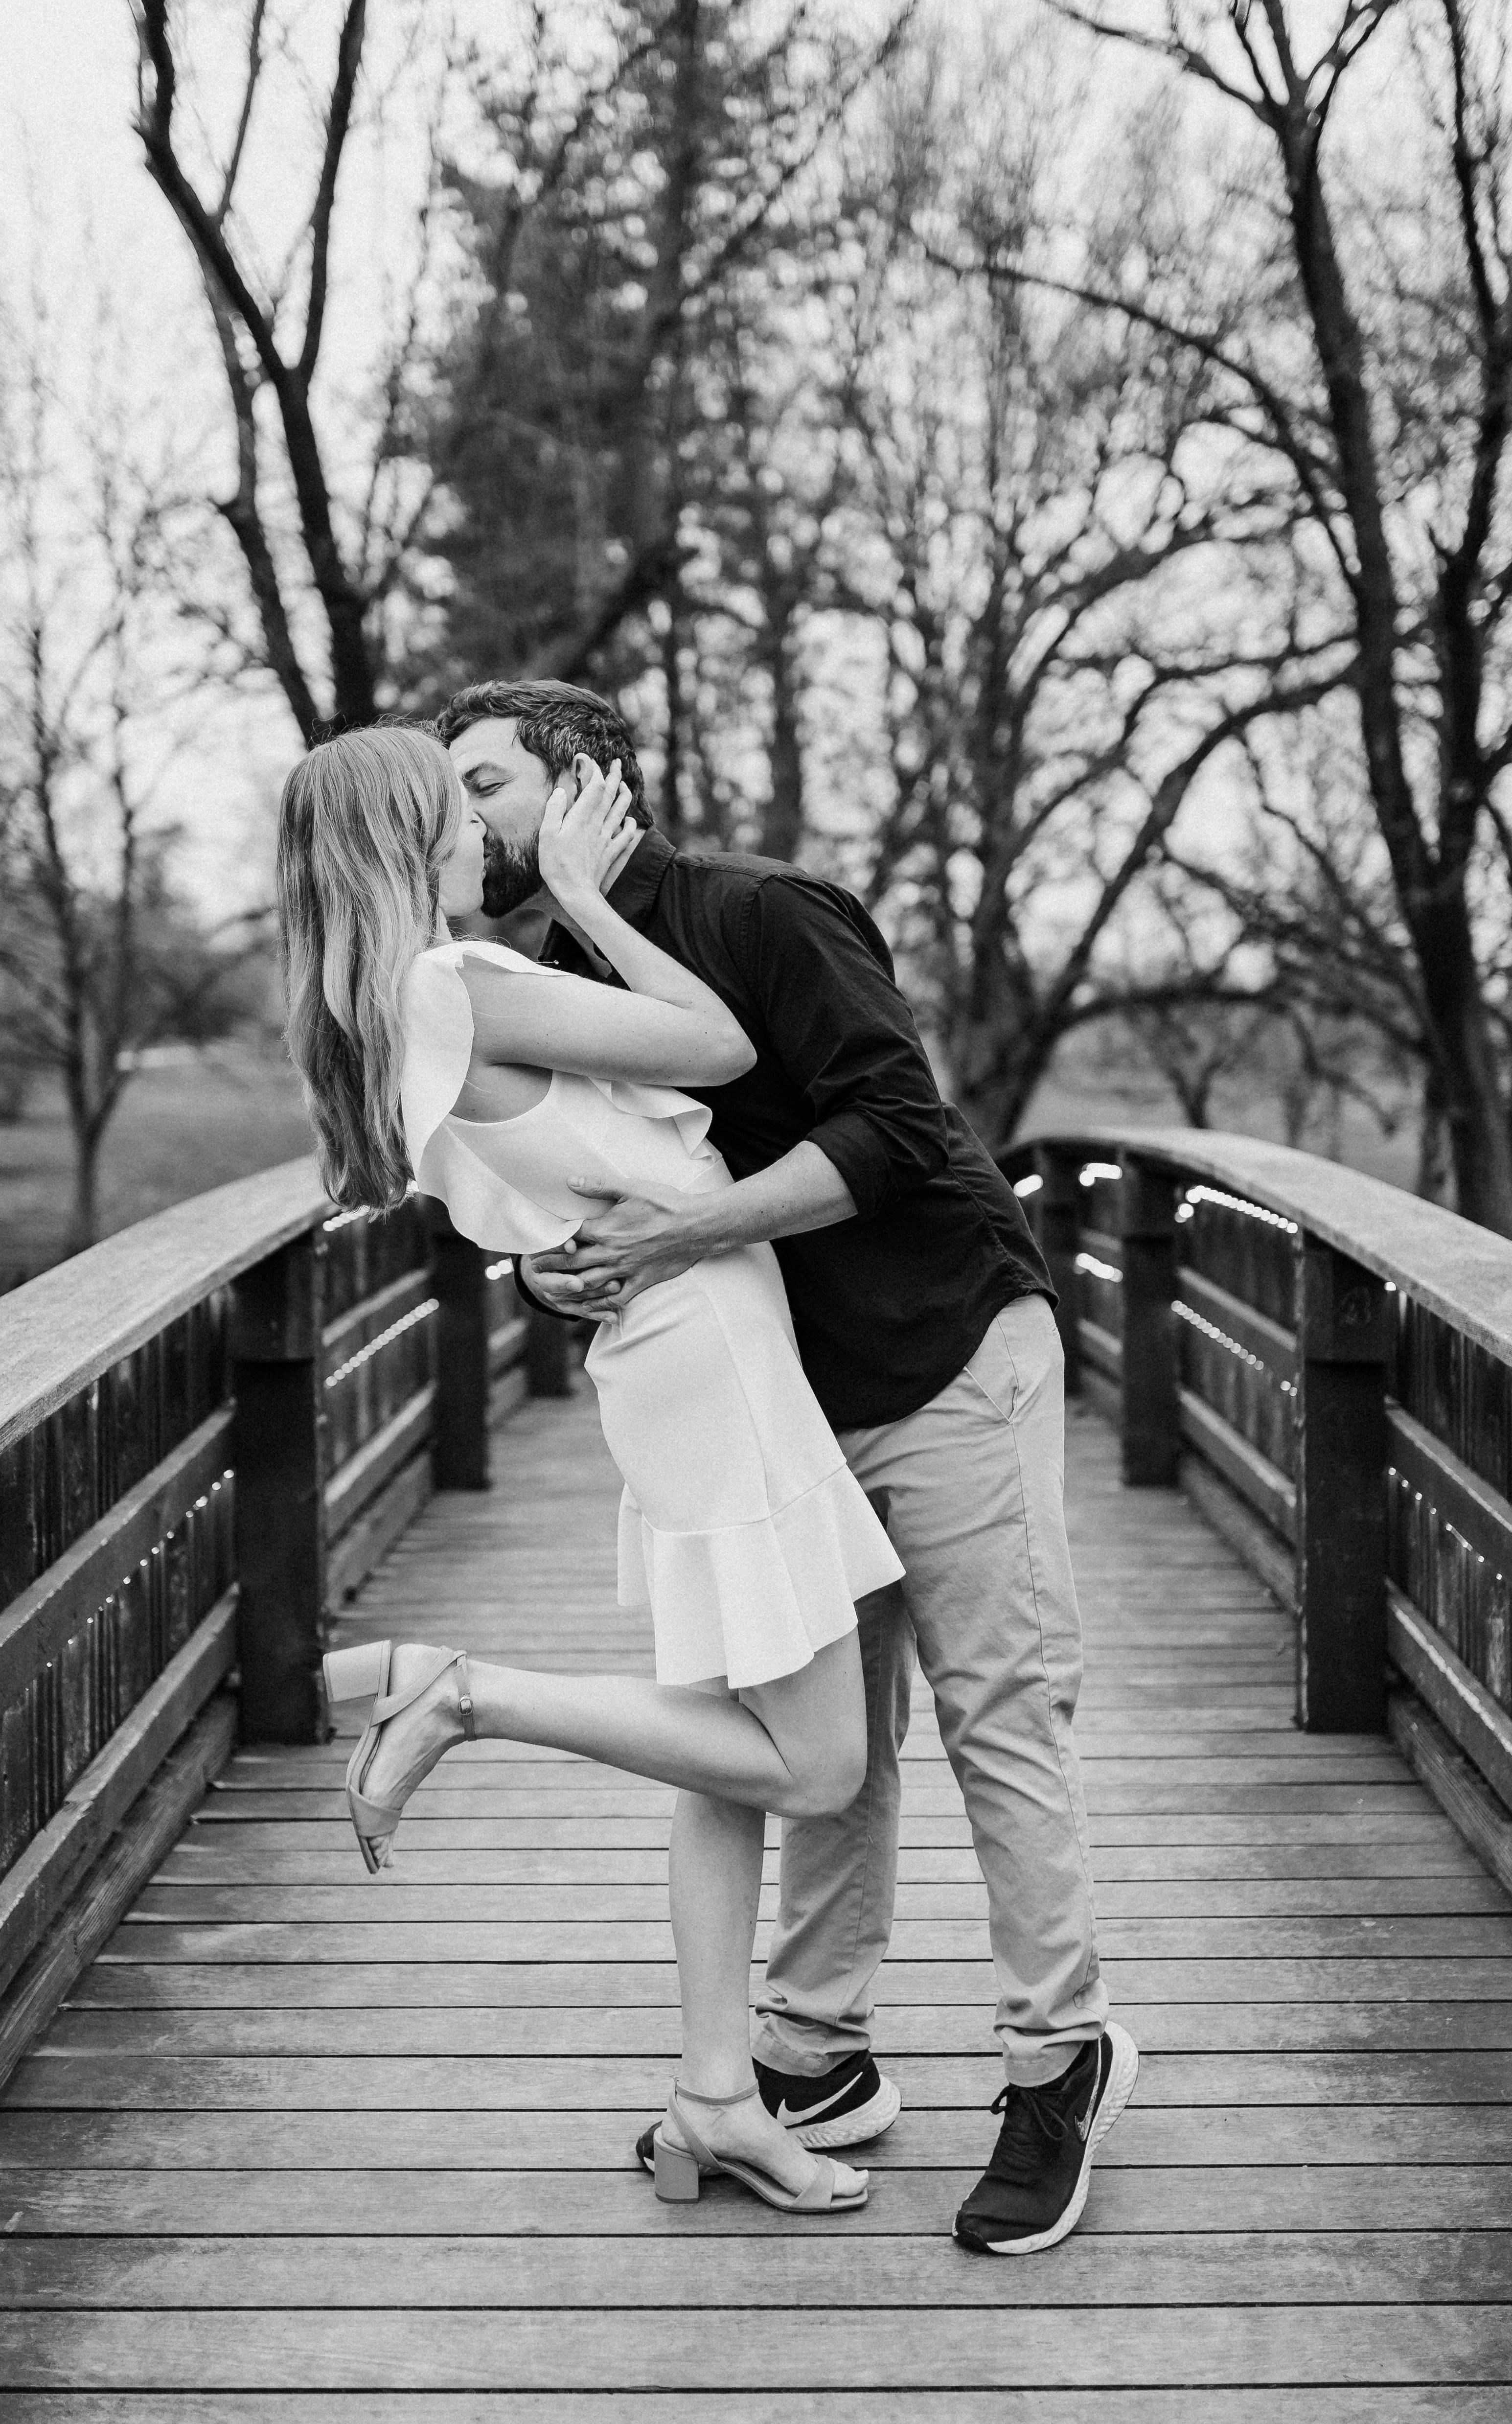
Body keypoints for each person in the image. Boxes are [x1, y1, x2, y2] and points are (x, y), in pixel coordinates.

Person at [436, 677, 1138, 2259]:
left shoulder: (763, 913)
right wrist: (549, 1270)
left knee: (999, 1707)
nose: (459, 819)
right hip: (783, 1405)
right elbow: (607, 1190)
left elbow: (897, 1128)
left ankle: (1060, 2054)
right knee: (826, 1733)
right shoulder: (555, 978)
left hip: (944, 1343)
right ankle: (819, 2053)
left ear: (587, 781)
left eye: (485, 783)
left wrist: (685, 1233)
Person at [278, 721, 908, 2218]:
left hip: (671, 1354)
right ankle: (463, 1693)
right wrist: (584, 889)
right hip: (713, 1352)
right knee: (820, 1763)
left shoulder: (381, 1013)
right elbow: (721, 1047)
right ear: (404, 840)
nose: (476, 838)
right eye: (453, 813)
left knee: (725, 1749)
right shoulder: (458, 980)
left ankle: (715, 2099)